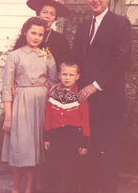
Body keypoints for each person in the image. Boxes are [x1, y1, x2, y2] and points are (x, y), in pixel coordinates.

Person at [72, 0, 132, 193]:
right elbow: (76, 61)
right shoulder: (83, 26)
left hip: (108, 102)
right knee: (86, 151)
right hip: (84, 101)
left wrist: (95, 86)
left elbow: (122, 61)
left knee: (107, 153)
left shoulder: (120, 24)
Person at [1, 17, 58, 193]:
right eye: (33, 33)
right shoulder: (14, 55)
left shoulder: (47, 55)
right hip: (21, 106)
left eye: (40, 34)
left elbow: (54, 82)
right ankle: (15, 189)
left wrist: (48, 86)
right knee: (20, 147)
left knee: (35, 148)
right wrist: (9, 117)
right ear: (25, 32)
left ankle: (28, 189)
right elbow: (6, 88)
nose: (36, 37)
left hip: (41, 106)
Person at [43, 60, 91, 193]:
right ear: (59, 75)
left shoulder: (80, 95)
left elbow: (85, 120)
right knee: (53, 168)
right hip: (56, 136)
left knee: (72, 170)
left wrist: (84, 142)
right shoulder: (52, 93)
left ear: (77, 76)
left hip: (73, 137)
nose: (67, 77)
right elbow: (48, 117)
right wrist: (47, 137)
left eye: (71, 74)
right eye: (64, 74)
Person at [26, 0, 73, 67]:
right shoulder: (28, 35)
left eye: (52, 14)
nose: (48, 16)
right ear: (39, 13)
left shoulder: (61, 40)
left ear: (55, 18)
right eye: (44, 12)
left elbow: (67, 64)